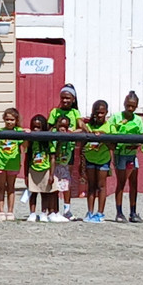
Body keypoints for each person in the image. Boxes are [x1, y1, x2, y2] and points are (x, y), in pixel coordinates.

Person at [48, 83, 85, 220]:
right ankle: (53, 209)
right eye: (63, 98)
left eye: (68, 98)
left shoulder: (75, 113)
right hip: (55, 151)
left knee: (66, 180)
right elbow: (49, 127)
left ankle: (67, 209)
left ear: (73, 99)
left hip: (68, 153)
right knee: (55, 180)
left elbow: (81, 127)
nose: (65, 101)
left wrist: (72, 132)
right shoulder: (54, 112)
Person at [108, 91, 143, 224]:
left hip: (132, 155)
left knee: (134, 183)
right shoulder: (116, 117)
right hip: (120, 154)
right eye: (128, 105)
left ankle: (133, 212)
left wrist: (135, 145)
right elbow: (110, 132)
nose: (130, 108)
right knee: (121, 182)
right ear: (124, 104)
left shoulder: (138, 120)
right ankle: (119, 212)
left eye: (133, 106)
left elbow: (142, 137)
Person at [79, 100, 111, 223]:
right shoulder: (90, 126)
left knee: (101, 186)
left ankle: (100, 212)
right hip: (90, 158)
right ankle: (90, 211)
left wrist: (102, 135)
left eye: (102, 113)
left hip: (103, 159)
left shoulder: (109, 126)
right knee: (91, 186)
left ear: (106, 113)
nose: (99, 115)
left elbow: (112, 144)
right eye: (97, 113)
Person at [0, 107, 22, 221]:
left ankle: (10, 211)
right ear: (4, 119)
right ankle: (1, 211)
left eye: (12, 120)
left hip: (13, 163)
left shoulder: (19, 132)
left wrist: (27, 132)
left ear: (16, 120)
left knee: (11, 187)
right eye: (7, 119)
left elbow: (25, 145)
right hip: (0, 162)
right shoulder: (0, 131)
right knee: (1, 187)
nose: (9, 122)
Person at [24, 114, 55, 222]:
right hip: (33, 169)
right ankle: (32, 213)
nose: (36, 130)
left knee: (45, 193)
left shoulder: (48, 141)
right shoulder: (31, 142)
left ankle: (43, 213)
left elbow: (52, 158)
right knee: (33, 192)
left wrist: (51, 174)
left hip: (45, 169)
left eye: (39, 127)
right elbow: (27, 158)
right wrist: (25, 175)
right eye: (34, 127)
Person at [49, 114, 77, 222]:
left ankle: (67, 210)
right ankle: (54, 211)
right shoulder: (54, 137)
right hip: (55, 166)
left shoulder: (70, 138)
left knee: (66, 187)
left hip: (65, 166)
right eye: (61, 126)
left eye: (65, 127)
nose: (63, 129)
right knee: (54, 188)